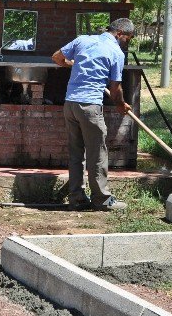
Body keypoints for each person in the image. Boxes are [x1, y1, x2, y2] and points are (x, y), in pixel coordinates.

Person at [52, 18, 135, 211]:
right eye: (128, 39)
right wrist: (121, 104)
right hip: (90, 106)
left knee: (76, 153)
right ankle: (102, 200)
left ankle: (77, 198)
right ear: (120, 34)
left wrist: (71, 63)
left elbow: (56, 57)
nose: (126, 43)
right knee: (97, 153)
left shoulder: (83, 40)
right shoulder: (116, 52)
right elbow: (115, 89)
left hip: (70, 104)